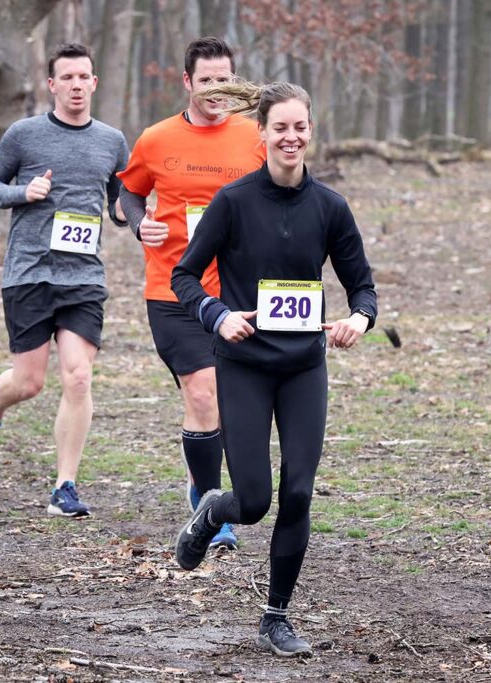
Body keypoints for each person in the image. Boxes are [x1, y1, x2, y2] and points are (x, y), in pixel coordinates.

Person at [170, 81, 377, 657]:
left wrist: (358, 320)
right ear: (260, 133)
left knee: (301, 490)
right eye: (279, 127)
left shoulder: (330, 207)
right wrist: (217, 316)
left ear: (312, 131)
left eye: (300, 127)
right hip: (245, 366)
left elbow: (362, 286)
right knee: (255, 501)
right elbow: (184, 276)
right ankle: (214, 508)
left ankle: (277, 617)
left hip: (303, 368)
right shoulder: (233, 202)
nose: (290, 137)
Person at [118, 37, 265, 550]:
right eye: (206, 80)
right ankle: (210, 503)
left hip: (241, 293)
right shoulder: (156, 139)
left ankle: (204, 490)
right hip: (174, 289)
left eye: (224, 79)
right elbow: (129, 193)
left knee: (226, 402)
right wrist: (139, 225)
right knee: (202, 391)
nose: (215, 89)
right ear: (187, 82)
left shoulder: (256, 137)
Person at [0, 43, 129, 518]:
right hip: (30, 273)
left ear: (94, 83)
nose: (77, 85)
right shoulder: (24, 135)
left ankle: (65, 487)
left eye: (85, 77)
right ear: (52, 85)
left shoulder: (112, 140)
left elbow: (121, 203)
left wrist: (131, 215)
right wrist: (25, 191)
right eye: (68, 77)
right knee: (29, 382)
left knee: (78, 376)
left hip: (83, 276)